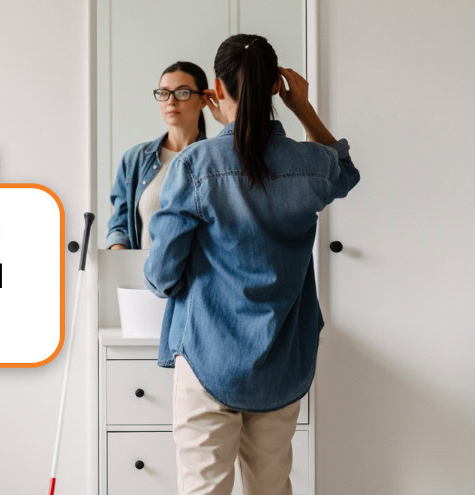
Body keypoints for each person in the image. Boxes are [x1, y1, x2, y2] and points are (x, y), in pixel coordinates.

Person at [144, 34, 360, 494]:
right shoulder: (309, 164)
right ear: (274, 88)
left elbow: (161, 276)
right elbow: (346, 173)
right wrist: (303, 109)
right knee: (270, 487)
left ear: (216, 89)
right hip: (281, 361)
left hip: (208, 358)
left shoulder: (196, 165)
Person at [105, 61, 226, 250]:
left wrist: (227, 121)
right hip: (141, 275)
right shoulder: (135, 159)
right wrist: (122, 262)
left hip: (199, 278)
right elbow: (119, 225)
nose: (171, 100)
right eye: (164, 93)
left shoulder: (217, 159)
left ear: (203, 100)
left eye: (182, 92)